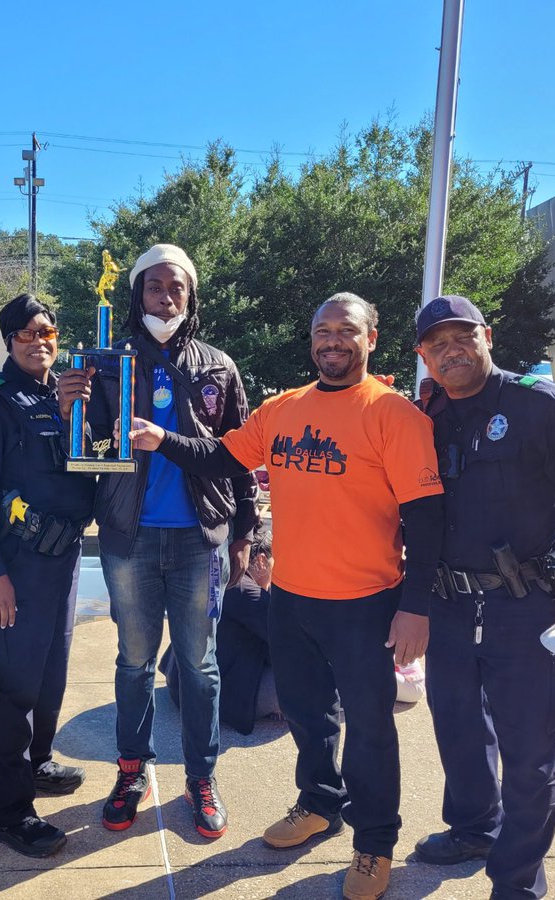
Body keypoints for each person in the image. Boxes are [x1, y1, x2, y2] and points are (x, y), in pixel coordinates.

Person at [126, 293, 445, 900]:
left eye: (345, 331)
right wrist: (159, 438)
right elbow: (221, 456)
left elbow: (428, 523)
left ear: (370, 338)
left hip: (368, 602)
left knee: (372, 728)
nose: (332, 341)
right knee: (307, 714)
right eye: (322, 330)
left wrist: (416, 606)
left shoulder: (394, 416)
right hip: (293, 598)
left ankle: (374, 842)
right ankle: (319, 804)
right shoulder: (282, 409)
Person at [411, 295, 555, 900]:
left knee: (531, 755)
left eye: (462, 336)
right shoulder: (428, 414)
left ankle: (518, 880)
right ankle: (474, 829)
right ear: (423, 355)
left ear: (487, 336)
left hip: (529, 606)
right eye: (436, 343)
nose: (451, 350)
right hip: (451, 606)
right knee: (456, 729)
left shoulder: (545, 407)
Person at [58, 243, 259, 839]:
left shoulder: (220, 366)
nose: (165, 297)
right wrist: (72, 403)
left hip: (201, 539)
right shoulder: (107, 363)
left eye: (176, 287)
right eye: (153, 287)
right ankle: (131, 771)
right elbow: (90, 444)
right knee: (134, 662)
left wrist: (248, 532)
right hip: (129, 538)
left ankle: (201, 776)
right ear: (137, 294)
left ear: (191, 295)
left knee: (200, 665)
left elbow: (239, 458)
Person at [0, 294, 94, 857]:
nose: (41, 342)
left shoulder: (64, 396)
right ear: (8, 340)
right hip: (16, 565)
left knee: (50, 676)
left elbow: (85, 474)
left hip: (61, 563)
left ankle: (38, 762)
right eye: (28, 334)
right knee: (13, 686)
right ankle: (8, 811)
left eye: (50, 333)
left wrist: (70, 419)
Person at [160, 520, 282, 734]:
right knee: (314, 677)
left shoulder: (220, 575)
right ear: (262, 561)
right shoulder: (248, 593)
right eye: (275, 562)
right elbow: (286, 643)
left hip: (179, 684)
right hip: (213, 697)